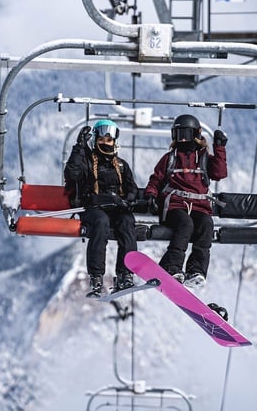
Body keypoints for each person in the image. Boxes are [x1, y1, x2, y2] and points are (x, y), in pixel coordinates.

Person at [142, 114, 228, 288]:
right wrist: (151, 194)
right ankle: (171, 266)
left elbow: (219, 173)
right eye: (179, 134)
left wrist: (219, 148)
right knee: (185, 225)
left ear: (196, 134)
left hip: (199, 206)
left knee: (206, 225)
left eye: (186, 134)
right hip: (175, 205)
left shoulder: (204, 158)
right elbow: (156, 180)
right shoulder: (170, 158)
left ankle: (196, 270)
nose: (182, 139)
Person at [64, 119, 138, 297]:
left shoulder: (120, 165)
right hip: (93, 208)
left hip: (117, 208)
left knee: (127, 222)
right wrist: (79, 147)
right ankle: (96, 277)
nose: (105, 143)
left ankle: (124, 274)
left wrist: (128, 200)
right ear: (95, 140)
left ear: (114, 142)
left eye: (109, 140)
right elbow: (72, 173)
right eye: (102, 139)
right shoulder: (87, 162)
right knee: (101, 223)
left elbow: (132, 188)